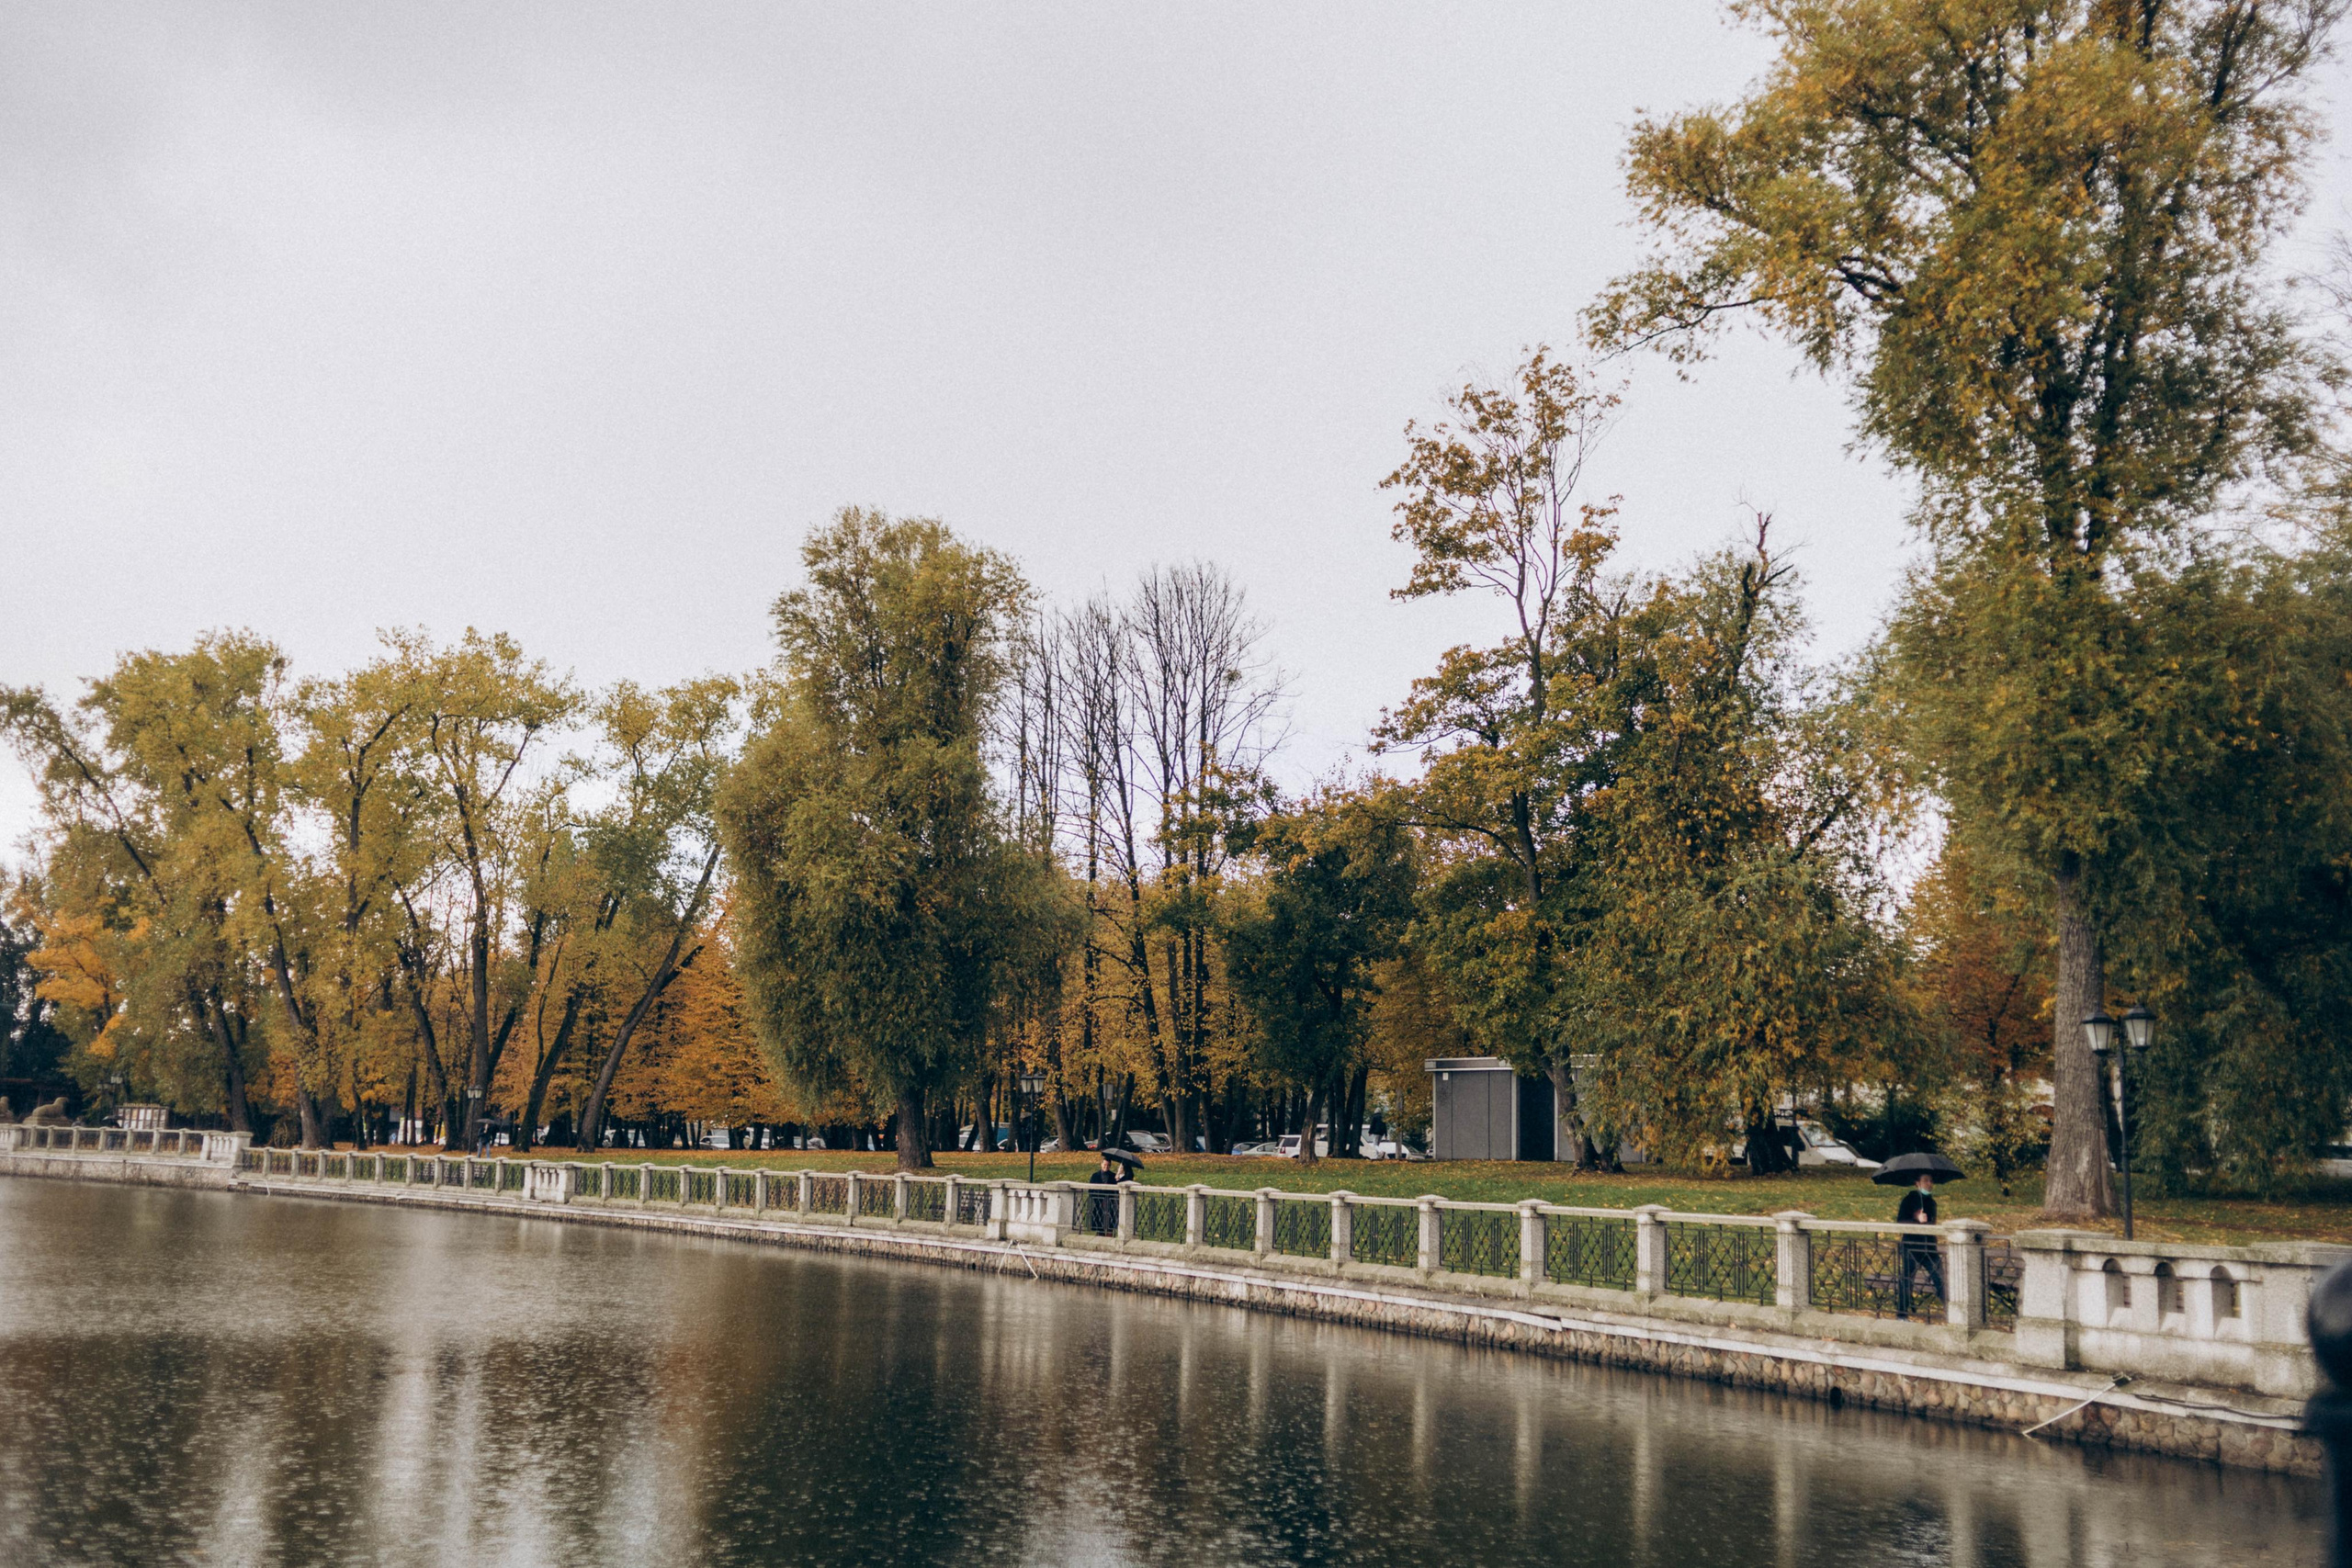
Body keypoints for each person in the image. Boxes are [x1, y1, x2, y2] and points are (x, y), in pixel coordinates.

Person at [1894, 1172, 1945, 1318]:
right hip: (1911, 1247)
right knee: (1907, 1281)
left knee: (1940, 1280)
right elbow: (1900, 1222)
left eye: (1931, 1181)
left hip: (1929, 1248)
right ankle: (1901, 1315)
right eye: (1926, 1181)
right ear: (1917, 1183)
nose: (1929, 1184)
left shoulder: (1931, 1202)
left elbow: (1932, 1224)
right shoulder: (1909, 1200)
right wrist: (1916, 1218)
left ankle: (1953, 1314)